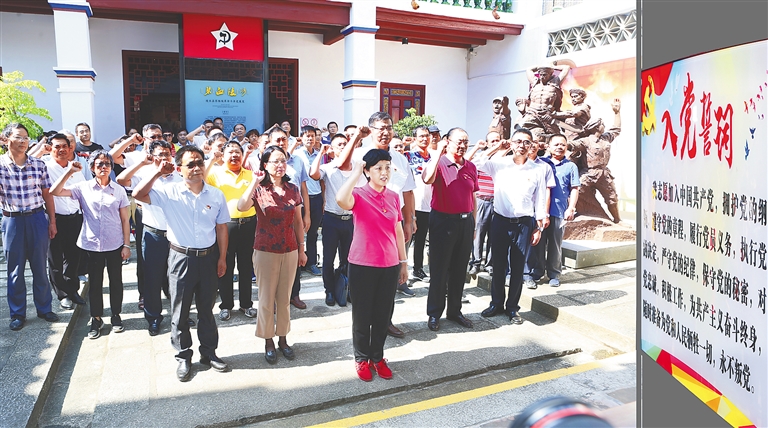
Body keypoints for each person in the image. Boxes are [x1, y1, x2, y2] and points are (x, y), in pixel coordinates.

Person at [132, 145, 230, 382]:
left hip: (208, 258)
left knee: (206, 309)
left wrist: (222, 258)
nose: (196, 168)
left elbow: (221, 228)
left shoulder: (216, 195)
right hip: (181, 259)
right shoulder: (168, 192)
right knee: (180, 310)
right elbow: (138, 195)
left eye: (200, 163)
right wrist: (157, 172)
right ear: (179, 169)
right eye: (190, 164)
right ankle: (183, 356)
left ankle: (209, 353)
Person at [336, 149, 407, 382]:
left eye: (387, 167)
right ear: (368, 171)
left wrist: (403, 262)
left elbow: (397, 230)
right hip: (362, 264)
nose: (384, 172)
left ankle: (377, 357)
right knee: (362, 315)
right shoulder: (358, 194)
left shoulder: (393, 196)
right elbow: (340, 199)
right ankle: (361, 358)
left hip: (389, 264)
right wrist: (356, 172)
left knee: (382, 315)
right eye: (378, 168)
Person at [49, 150, 131, 338]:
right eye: (99, 164)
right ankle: (96, 318)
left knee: (116, 281)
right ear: (92, 167)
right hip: (92, 245)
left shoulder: (118, 190)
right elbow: (55, 191)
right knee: (95, 283)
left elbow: (125, 220)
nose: (104, 167)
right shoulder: (83, 187)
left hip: (115, 243)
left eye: (107, 164)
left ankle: (116, 315)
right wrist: (70, 172)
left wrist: (126, 245)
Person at [237, 145, 307, 364]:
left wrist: (302, 249)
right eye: (275, 161)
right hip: (265, 249)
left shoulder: (293, 188)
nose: (280, 165)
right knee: (266, 299)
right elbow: (241, 206)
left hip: (290, 249)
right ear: (265, 165)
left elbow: (298, 221)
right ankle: (268, 341)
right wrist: (254, 182)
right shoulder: (259, 188)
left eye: (283, 160)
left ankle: (283, 339)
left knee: (284, 298)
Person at [474, 129, 547, 325]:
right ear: (512, 143)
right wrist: (498, 147)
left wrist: (539, 226)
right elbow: (478, 162)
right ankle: (496, 303)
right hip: (500, 221)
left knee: (517, 267)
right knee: (498, 265)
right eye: (518, 141)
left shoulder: (537, 169)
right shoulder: (500, 164)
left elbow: (540, 198)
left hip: (524, 224)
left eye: (526, 142)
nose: (522, 145)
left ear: (531, 146)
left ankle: (513, 307)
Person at [116, 139, 181, 335]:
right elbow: (121, 180)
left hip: (177, 235)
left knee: (177, 278)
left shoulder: (179, 175)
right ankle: (153, 318)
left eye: (167, 154)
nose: (164, 158)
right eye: (160, 154)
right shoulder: (145, 174)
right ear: (152, 156)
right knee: (152, 278)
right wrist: (148, 167)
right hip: (154, 234)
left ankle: (180, 316)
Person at [1, 123, 59, 331]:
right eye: (18, 137)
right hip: (12, 220)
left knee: (40, 267)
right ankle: (18, 313)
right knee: (15, 270)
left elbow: (47, 195)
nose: (24, 141)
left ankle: (44, 308)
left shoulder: (38, 164)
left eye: (26, 137)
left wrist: (52, 221)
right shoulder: (1, 165)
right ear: (6, 139)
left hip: (36, 218)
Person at [421, 127, 478, 331]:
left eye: (466, 142)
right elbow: (427, 179)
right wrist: (438, 153)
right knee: (439, 269)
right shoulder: (439, 163)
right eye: (458, 141)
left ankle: (455, 311)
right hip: (442, 222)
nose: (462, 145)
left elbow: (473, 196)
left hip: (465, 222)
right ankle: (434, 313)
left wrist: (473, 223)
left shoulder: (470, 167)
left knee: (459, 270)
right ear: (448, 141)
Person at [205, 140, 258, 321]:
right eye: (230, 152)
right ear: (223, 155)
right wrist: (212, 160)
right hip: (225, 226)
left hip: (249, 224)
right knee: (225, 265)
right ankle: (226, 305)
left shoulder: (251, 174)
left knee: (246, 266)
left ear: (242, 155)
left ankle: (246, 304)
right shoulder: (215, 174)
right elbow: (200, 181)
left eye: (237, 152)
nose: (234, 155)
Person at [310, 133, 364, 307]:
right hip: (331, 219)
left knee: (348, 258)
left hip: (351, 219)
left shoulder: (357, 167)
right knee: (328, 258)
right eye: (339, 144)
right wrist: (320, 152)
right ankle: (330, 290)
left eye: (345, 143)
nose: (342, 146)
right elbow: (313, 174)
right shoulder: (328, 167)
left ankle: (346, 288)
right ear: (332, 149)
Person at [44, 133, 87, 310]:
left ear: (70, 148)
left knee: (74, 256)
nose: (61, 150)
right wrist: (52, 222)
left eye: (64, 146)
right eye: (57, 146)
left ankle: (73, 289)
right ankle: (62, 294)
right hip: (54, 218)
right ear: (50, 149)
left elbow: (83, 191)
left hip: (74, 217)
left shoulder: (75, 167)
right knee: (55, 258)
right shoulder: (45, 168)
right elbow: (48, 195)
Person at [569, 99, 622, 223]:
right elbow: (571, 145)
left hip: (604, 173)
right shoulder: (586, 141)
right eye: (602, 124)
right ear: (597, 127)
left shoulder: (606, 138)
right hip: (589, 173)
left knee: (612, 198)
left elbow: (616, 129)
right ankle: (585, 211)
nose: (604, 126)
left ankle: (617, 219)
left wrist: (617, 113)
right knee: (577, 190)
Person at [538, 134, 579, 287]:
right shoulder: (541, 163)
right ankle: (536, 273)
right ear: (548, 146)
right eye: (556, 144)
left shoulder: (571, 166)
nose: (560, 147)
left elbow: (574, 188)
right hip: (540, 210)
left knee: (555, 244)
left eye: (563, 144)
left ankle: (554, 274)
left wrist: (571, 208)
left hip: (559, 211)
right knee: (538, 243)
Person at [522, 134, 556, 289]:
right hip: (519, 210)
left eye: (535, 142)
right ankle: (510, 273)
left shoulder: (545, 167)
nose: (532, 145)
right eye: (529, 142)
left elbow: (547, 192)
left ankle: (529, 274)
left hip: (536, 210)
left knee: (534, 243)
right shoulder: (515, 164)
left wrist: (545, 214)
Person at [466, 131, 500, 277]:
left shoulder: (503, 159)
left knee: (494, 234)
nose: (495, 143)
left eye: (497, 140)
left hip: (496, 201)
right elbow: (472, 165)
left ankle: (490, 264)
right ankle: (476, 262)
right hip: (482, 200)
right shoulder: (481, 158)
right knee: (478, 233)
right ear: (487, 143)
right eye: (492, 141)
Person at [293, 126, 324, 281]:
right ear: (301, 138)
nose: (310, 139)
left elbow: (322, 179)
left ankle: (311, 262)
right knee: (297, 231)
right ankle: (297, 263)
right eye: (307, 136)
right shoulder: (296, 155)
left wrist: (324, 199)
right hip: (299, 198)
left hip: (316, 197)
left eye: (312, 136)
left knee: (312, 233)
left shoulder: (320, 155)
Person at [405, 126, 434, 282]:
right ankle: (403, 270)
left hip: (432, 204)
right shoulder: (408, 156)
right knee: (408, 238)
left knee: (423, 239)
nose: (424, 139)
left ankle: (418, 268)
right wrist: (404, 145)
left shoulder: (434, 156)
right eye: (421, 136)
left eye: (427, 136)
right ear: (414, 138)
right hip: (414, 204)